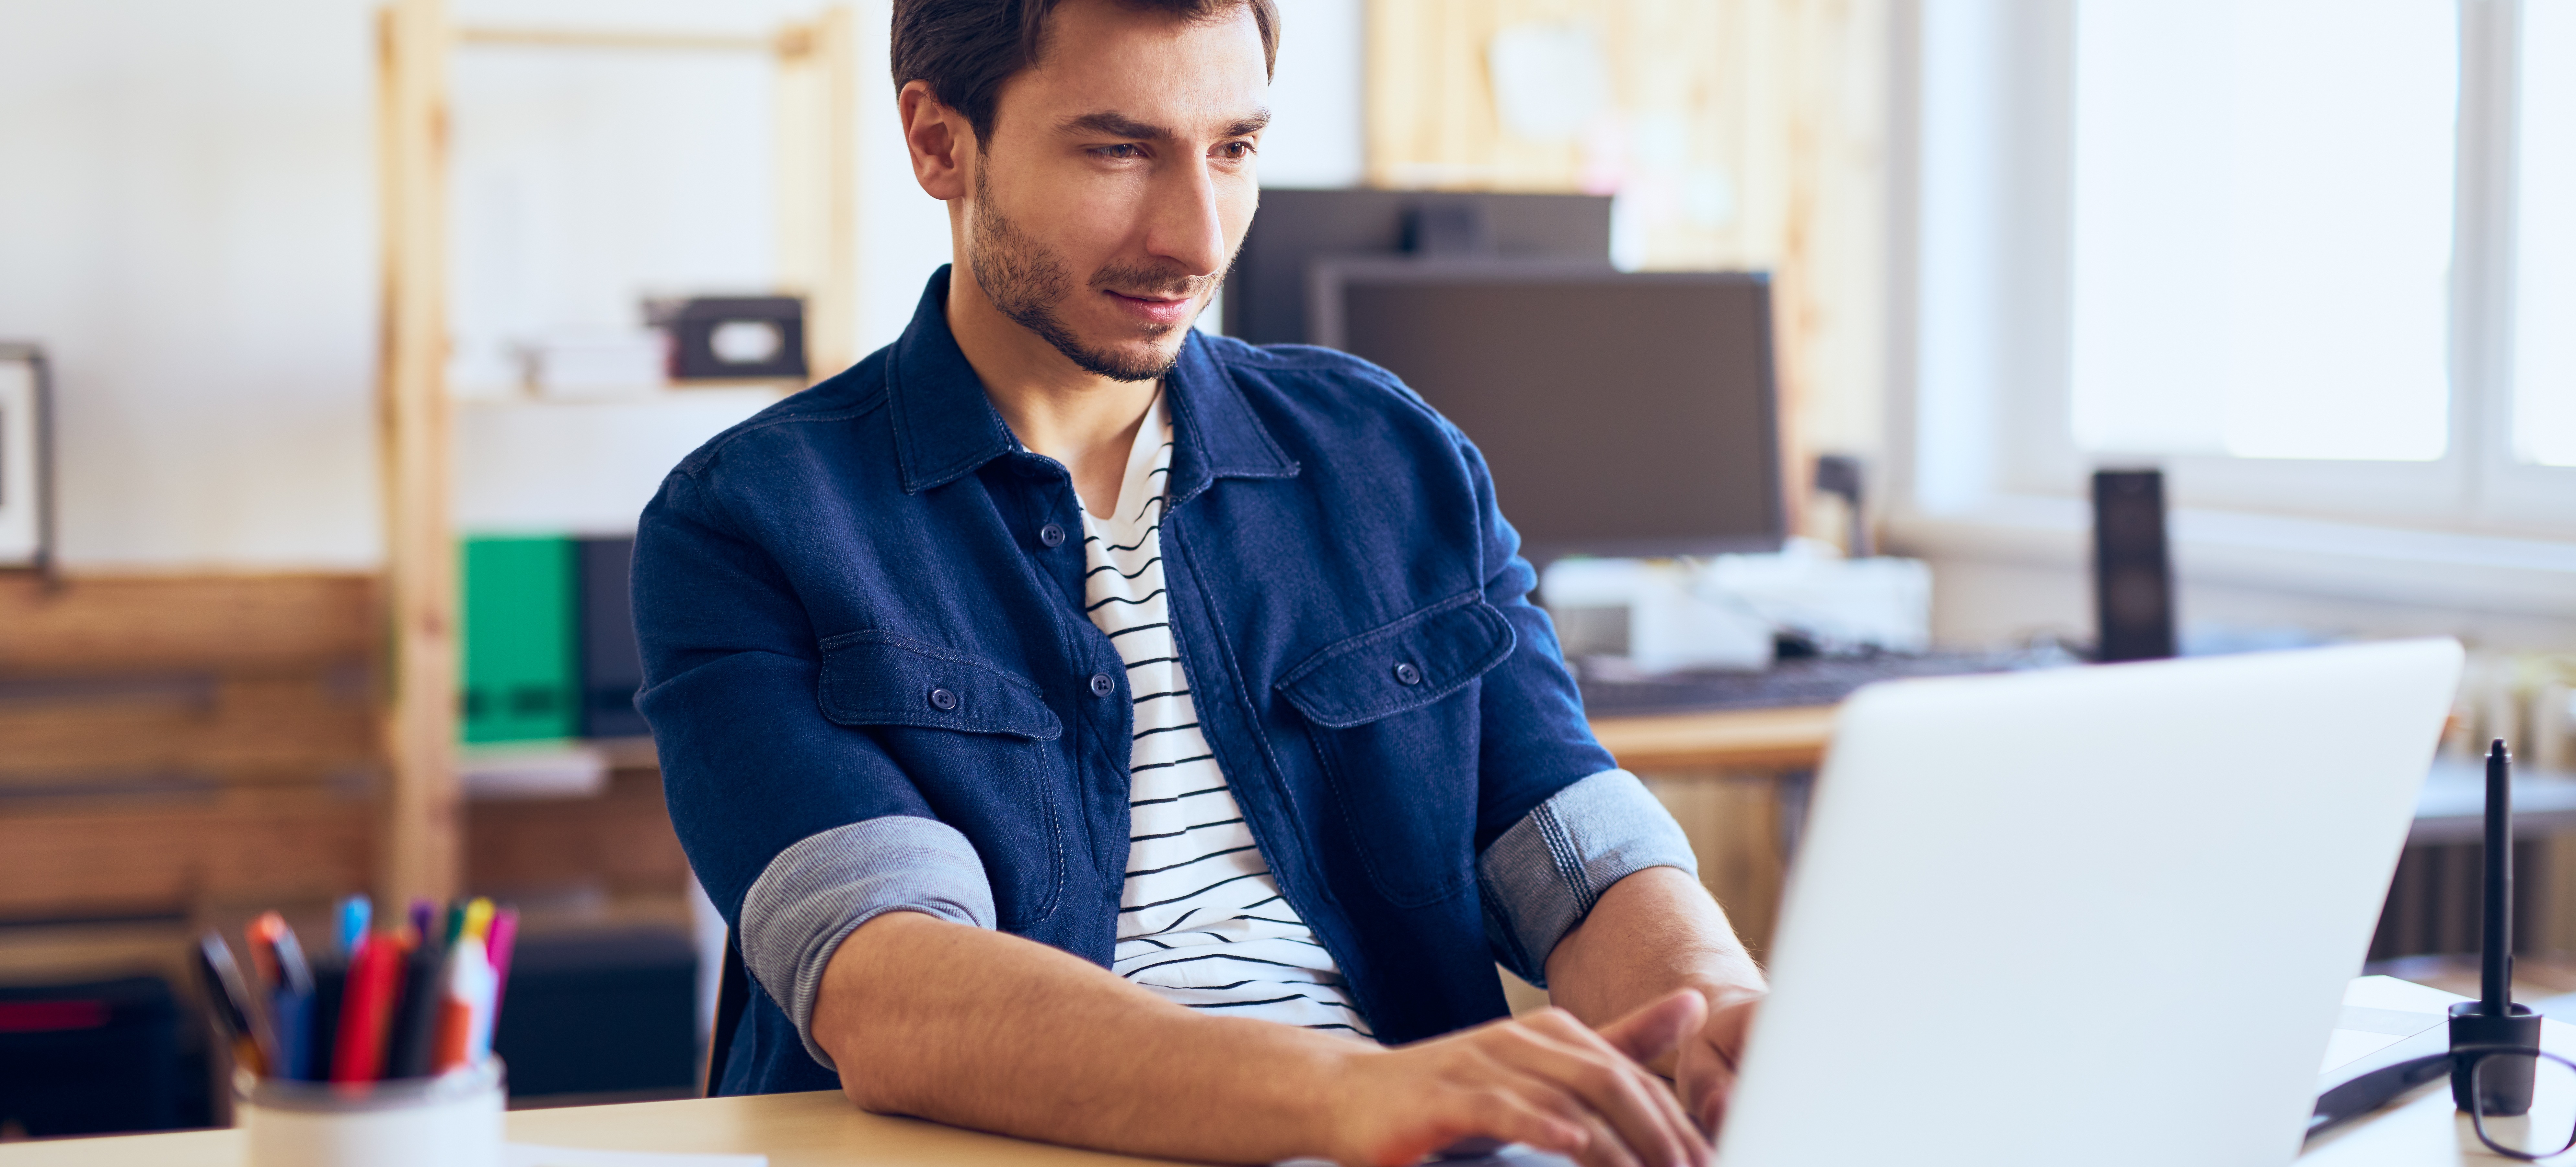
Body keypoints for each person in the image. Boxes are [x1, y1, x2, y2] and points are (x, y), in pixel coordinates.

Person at [633, 1, 1769, 1164]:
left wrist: (1715, 1010)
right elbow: (892, 987)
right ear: (939, 143)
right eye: (1119, 150)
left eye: (1234, 149)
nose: (1196, 236)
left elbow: (1575, 847)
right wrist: (1346, 1093)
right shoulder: (748, 522)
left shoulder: (1391, 454)